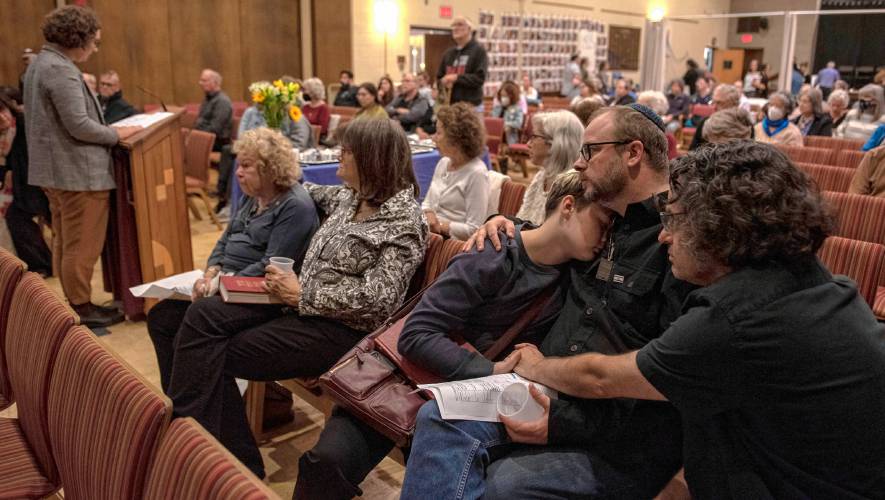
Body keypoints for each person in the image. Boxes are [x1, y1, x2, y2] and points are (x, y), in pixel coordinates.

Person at [510, 140, 885, 498]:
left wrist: (539, 367)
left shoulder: (736, 319)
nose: (663, 237)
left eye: (673, 219)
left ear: (718, 224)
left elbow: (601, 378)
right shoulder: (808, 276)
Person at [402, 104, 692, 500]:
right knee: (439, 417)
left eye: (590, 150)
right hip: (546, 388)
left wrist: (561, 422)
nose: (578, 160)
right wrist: (506, 226)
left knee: (504, 486)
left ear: (633, 153)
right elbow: (553, 233)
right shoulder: (603, 217)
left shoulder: (677, 241)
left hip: (607, 420)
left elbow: (665, 383)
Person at [294, 170, 613, 500]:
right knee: (326, 462)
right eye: (602, 223)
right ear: (568, 206)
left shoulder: (579, 273)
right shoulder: (494, 253)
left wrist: (498, 217)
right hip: (410, 381)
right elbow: (416, 335)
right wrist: (489, 370)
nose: (605, 238)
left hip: (473, 404)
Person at [163, 118, 427, 478]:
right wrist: (278, 175)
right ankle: (220, 458)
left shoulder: (404, 222)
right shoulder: (352, 197)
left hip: (343, 333)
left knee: (211, 352)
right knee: (202, 322)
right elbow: (308, 189)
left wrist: (305, 293)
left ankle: (205, 453)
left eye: (345, 150)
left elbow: (378, 300)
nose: (338, 155)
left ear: (370, 157)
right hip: (298, 308)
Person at [147, 127, 319, 391]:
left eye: (246, 166)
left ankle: (195, 410)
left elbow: (270, 264)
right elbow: (225, 239)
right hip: (228, 284)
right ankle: (175, 402)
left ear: (270, 168)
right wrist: (211, 272)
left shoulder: (294, 205)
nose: (237, 172)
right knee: (162, 316)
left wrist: (222, 283)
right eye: (238, 165)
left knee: (195, 319)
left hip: (260, 294)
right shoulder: (254, 197)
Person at [23, 5, 140, 328]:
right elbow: (79, 126)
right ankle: (81, 306)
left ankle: (75, 299)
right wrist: (116, 133)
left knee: (66, 240)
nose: (95, 47)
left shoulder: (42, 63)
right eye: (94, 41)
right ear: (78, 38)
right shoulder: (59, 69)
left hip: (59, 171)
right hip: (77, 174)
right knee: (81, 245)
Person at [0, 91, 52, 276]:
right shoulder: (3, 137)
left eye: (3, 110)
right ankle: (41, 263)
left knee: (16, 217)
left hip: (38, 184)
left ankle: (43, 264)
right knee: (14, 217)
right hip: (22, 188)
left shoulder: (23, 124)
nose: (2, 117)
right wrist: (7, 172)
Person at [423, 103, 489, 240]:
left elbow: (474, 229)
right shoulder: (443, 163)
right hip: (432, 236)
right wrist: (428, 213)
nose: (433, 138)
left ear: (456, 138)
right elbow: (427, 202)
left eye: (439, 132)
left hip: (453, 244)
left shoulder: (477, 173)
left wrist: (440, 225)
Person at [515, 111, 584, 225]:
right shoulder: (542, 175)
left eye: (534, 137)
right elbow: (522, 219)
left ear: (556, 143)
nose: (528, 144)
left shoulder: (571, 187)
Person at [437, 16, 488, 109]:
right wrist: (442, 82)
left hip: (472, 107)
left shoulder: (478, 51)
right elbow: (439, 76)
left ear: (469, 29)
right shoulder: (448, 54)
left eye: (460, 24)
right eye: (454, 25)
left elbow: (480, 78)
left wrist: (456, 78)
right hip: (451, 106)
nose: (455, 28)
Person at [690, 83, 742, 150]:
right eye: (713, 102)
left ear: (733, 104)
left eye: (719, 103)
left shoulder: (744, 125)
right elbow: (692, 152)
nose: (714, 107)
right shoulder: (705, 123)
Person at [194, 69, 232, 152]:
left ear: (214, 82)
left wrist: (195, 136)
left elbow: (215, 129)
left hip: (218, 142)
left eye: (204, 81)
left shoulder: (222, 101)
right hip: (206, 138)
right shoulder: (208, 99)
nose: (200, 83)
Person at [491, 81, 524, 146]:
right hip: (496, 137)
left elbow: (518, 123)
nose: (503, 98)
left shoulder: (517, 109)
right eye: (501, 96)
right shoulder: (497, 108)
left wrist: (505, 124)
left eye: (505, 96)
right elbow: (492, 121)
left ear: (511, 96)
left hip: (509, 139)